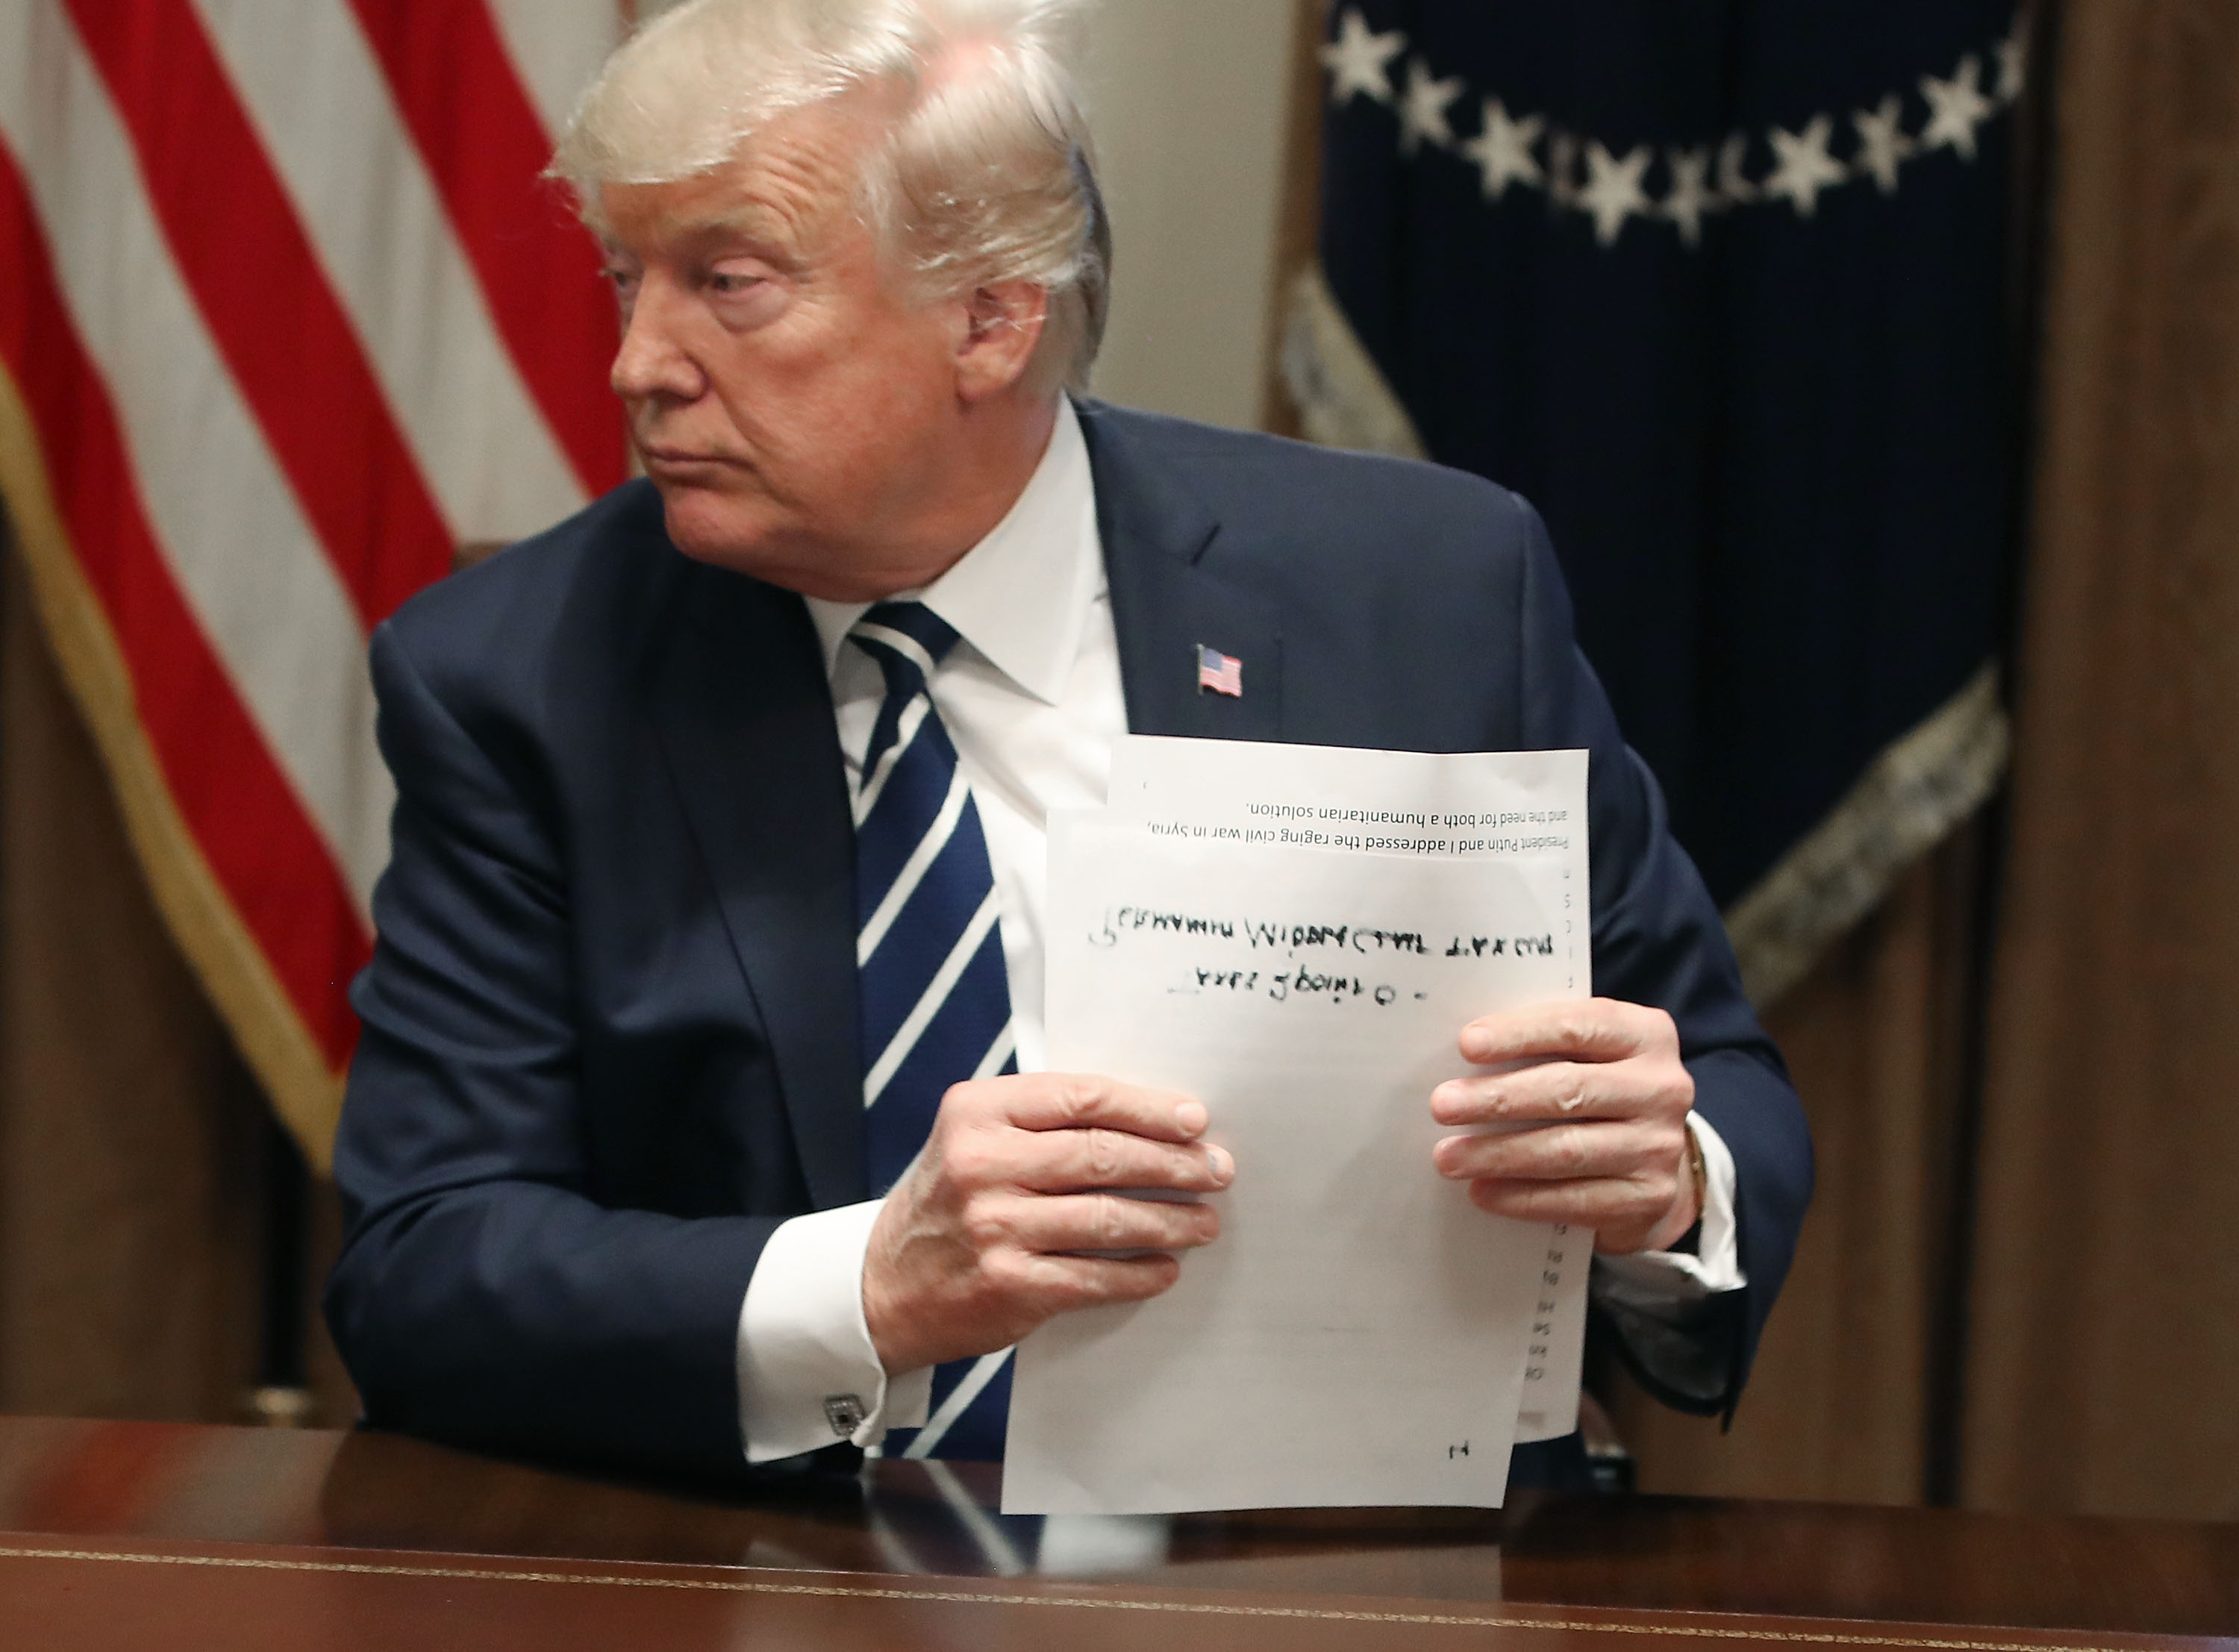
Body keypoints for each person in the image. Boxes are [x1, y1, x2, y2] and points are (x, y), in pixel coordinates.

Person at [325, 0, 1813, 1486]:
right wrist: (868, 1291)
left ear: (991, 318)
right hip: (783, 1579)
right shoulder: (521, 680)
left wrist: (1670, 1181)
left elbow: (1722, 1085)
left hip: (1349, 1562)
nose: (638, 363)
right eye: (627, 278)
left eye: (730, 282)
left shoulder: (1423, 595)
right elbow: (425, 1268)